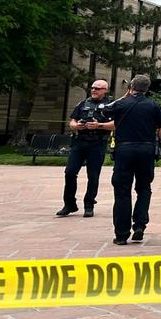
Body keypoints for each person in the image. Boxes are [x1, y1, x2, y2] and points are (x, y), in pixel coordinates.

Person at [101, 75, 161, 245]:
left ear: (131, 87)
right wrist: (157, 141)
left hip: (124, 150)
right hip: (146, 150)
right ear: (147, 89)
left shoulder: (121, 104)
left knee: (122, 191)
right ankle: (139, 225)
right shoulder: (154, 105)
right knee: (144, 188)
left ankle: (121, 234)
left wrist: (125, 95)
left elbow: (104, 110)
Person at [57, 80, 115, 217]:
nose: (94, 90)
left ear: (105, 90)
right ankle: (69, 204)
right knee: (70, 172)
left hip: (97, 143)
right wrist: (76, 126)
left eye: (98, 88)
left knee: (93, 176)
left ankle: (89, 204)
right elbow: (72, 121)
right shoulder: (83, 104)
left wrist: (99, 125)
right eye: (93, 88)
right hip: (80, 142)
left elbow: (115, 124)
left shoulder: (111, 106)